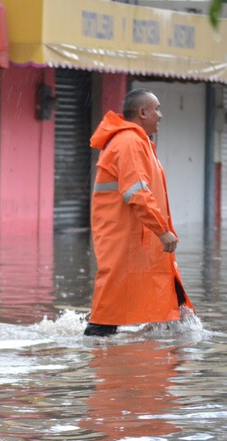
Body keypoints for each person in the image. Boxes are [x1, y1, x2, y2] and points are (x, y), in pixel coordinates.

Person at [84, 88, 192, 337]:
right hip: (129, 238)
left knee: (173, 311)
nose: (161, 115)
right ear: (143, 112)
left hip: (138, 238)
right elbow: (137, 193)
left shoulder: (136, 141)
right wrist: (162, 230)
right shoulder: (129, 142)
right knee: (106, 320)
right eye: (157, 109)